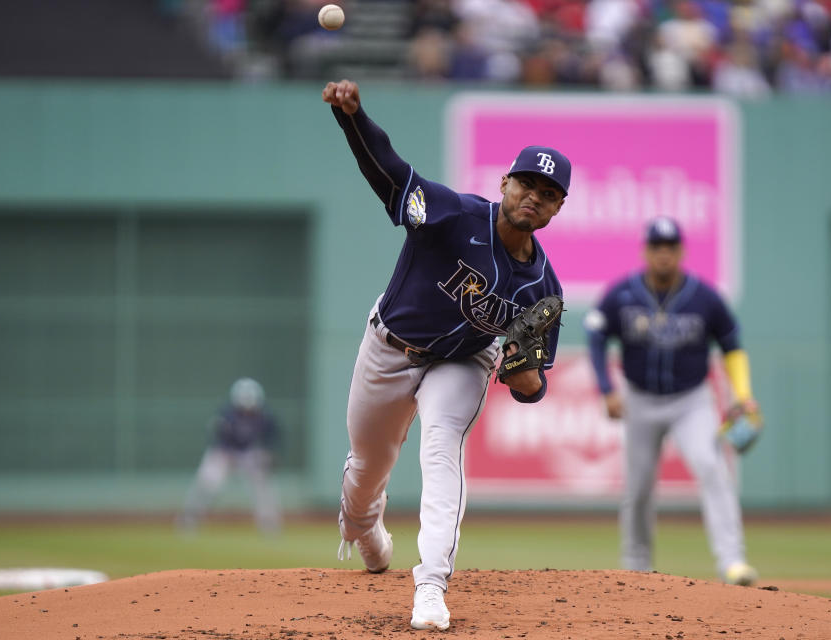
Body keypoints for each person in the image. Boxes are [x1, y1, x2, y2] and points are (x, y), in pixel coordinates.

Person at [322, 79, 568, 631]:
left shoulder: (543, 290)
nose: (533, 195)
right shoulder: (452, 214)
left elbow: (532, 384)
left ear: (557, 208)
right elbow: (389, 172)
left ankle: (430, 586)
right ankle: (366, 529)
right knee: (367, 468)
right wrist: (352, 118)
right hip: (389, 346)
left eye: (547, 192)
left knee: (441, 450)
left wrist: (525, 377)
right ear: (504, 182)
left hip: (462, 361)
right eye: (526, 182)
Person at [584, 217, 761, 586]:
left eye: (670, 248)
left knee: (712, 468)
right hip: (640, 399)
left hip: (692, 400)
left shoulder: (705, 297)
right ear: (646, 251)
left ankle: (733, 562)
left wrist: (743, 396)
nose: (663, 254)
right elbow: (596, 336)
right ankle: (636, 567)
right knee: (638, 486)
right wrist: (606, 388)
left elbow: (732, 348)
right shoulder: (623, 293)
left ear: (680, 252)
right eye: (656, 248)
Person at [176, 377, 283, 535]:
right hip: (224, 452)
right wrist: (225, 454)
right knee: (207, 483)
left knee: (262, 486)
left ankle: (269, 524)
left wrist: (268, 453)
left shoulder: (264, 416)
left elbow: (273, 437)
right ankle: (189, 519)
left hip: (248, 453)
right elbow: (216, 437)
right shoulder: (226, 414)